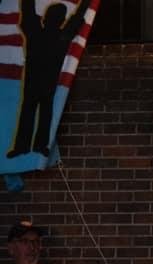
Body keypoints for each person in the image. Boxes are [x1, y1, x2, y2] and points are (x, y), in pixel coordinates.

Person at [7, 0, 93, 158]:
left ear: (44, 18)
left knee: (29, 112)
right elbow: (78, 16)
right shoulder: (63, 36)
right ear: (61, 20)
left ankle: (23, 146)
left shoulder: (35, 32)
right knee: (44, 113)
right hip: (47, 84)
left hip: (34, 83)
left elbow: (28, 10)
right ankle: (39, 145)